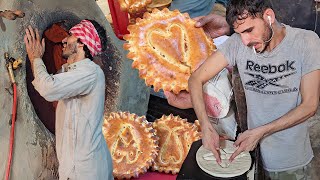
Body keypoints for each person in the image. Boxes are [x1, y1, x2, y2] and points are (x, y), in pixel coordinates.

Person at [169, 0, 320, 179]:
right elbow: (195, 79)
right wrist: (206, 126)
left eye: (249, 30)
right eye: (240, 33)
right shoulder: (237, 44)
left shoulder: (306, 41)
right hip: (249, 155)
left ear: (268, 17)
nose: (245, 41)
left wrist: (260, 132)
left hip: (289, 159)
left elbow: (310, 106)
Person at [24, 20, 113, 180]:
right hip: (75, 167)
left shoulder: (90, 73)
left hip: (86, 170)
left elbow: (48, 88)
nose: (64, 40)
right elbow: (52, 81)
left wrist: (36, 58)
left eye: (71, 36)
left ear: (82, 43)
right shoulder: (72, 72)